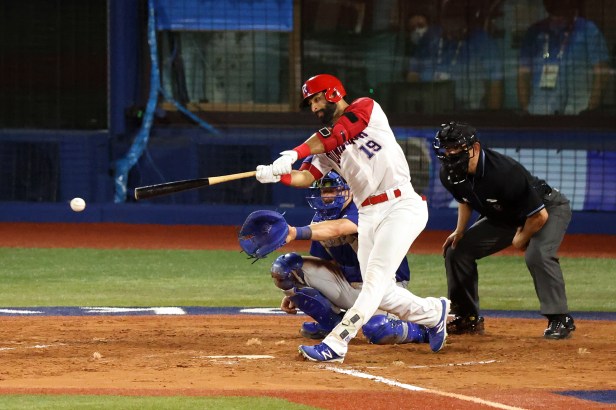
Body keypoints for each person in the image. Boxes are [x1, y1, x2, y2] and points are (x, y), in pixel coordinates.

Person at [256, 73, 449, 363]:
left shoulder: (366, 109)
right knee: (382, 294)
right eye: (310, 102)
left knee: (372, 282)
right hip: (369, 213)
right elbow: (307, 175)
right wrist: (276, 175)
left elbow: (338, 133)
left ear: (334, 93)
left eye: (317, 99)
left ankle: (336, 344)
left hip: (401, 205)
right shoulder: (326, 146)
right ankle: (435, 313)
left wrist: (295, 152)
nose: (314, 107)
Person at [433, 121, 575, 339]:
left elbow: (539, 216)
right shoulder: (450, 173)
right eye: (447, 148)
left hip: (546, 209)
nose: (451, 153)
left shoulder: (503, 172)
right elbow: (465, 199)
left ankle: (560, 318)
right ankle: (467, 318)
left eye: (457, 148)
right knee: (457, 250)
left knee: (537, 254)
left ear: (475, 148)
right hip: (506, 216)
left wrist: (521, 239)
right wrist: (460, 231)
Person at [271, 170, 429, 346]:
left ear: (350, 190)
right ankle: (332, 325)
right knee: (285, 267)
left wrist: (295, 232)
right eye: (324, 191)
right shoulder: (320, 219)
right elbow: (324, 263)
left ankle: (422, 329)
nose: (328, 196)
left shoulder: (365, 208)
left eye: (334, 190)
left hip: (384, 290)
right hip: (347, 285)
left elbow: (339, 228)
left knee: (378, 330)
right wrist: (296, 289)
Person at [406, 0, 503, 110]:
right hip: (427, 110)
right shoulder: (430, 38)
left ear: (467, 22)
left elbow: (495, 85)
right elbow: (413, 75)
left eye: (457, 22)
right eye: (448, 21)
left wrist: (490, 118)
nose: (452, 28)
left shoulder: (483, 42)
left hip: (469, 114)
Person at [517, 0, 609, 115]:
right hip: (539, 112)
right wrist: (527, 110)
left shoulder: (588, 30)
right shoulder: (534, 33)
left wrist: (590, 110)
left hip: (578, 113)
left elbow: (601, 73)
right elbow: (523, 75)